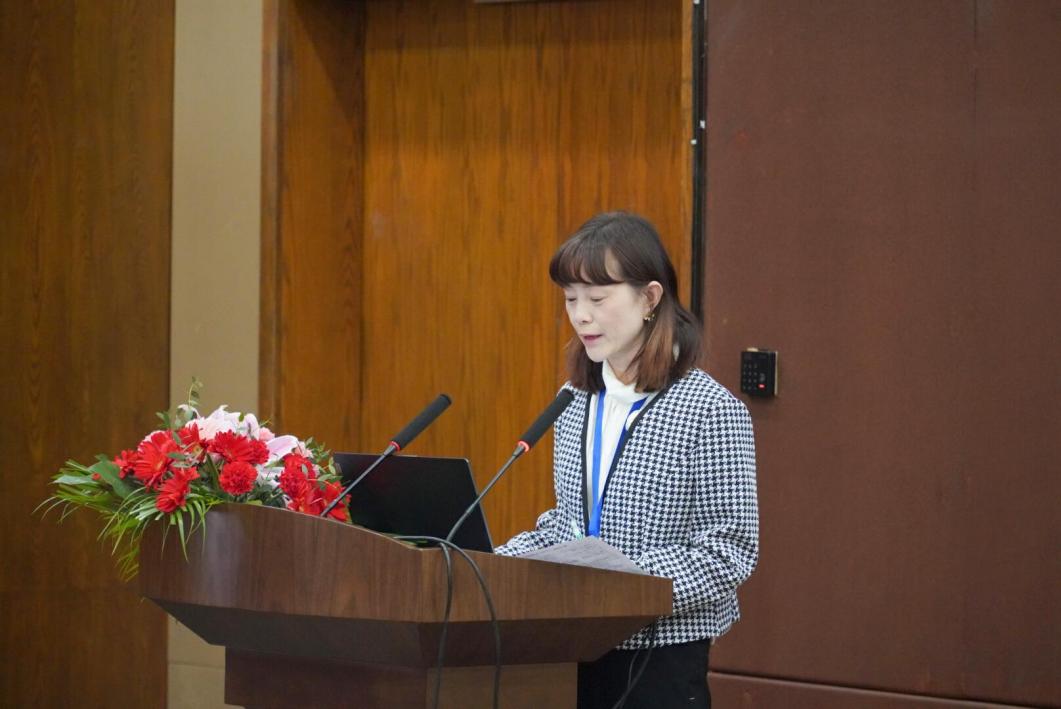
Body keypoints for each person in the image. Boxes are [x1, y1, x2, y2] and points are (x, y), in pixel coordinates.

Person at [494, 212, 759, 709]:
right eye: (571, 299)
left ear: (650, 299)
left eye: (597, 299)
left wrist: (622, 583)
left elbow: (730, 551)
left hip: (661, 659)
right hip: (573, 650)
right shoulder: (575, 400)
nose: (581, 315)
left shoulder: (710, 410)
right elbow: (570, 524)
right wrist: (490, 565)